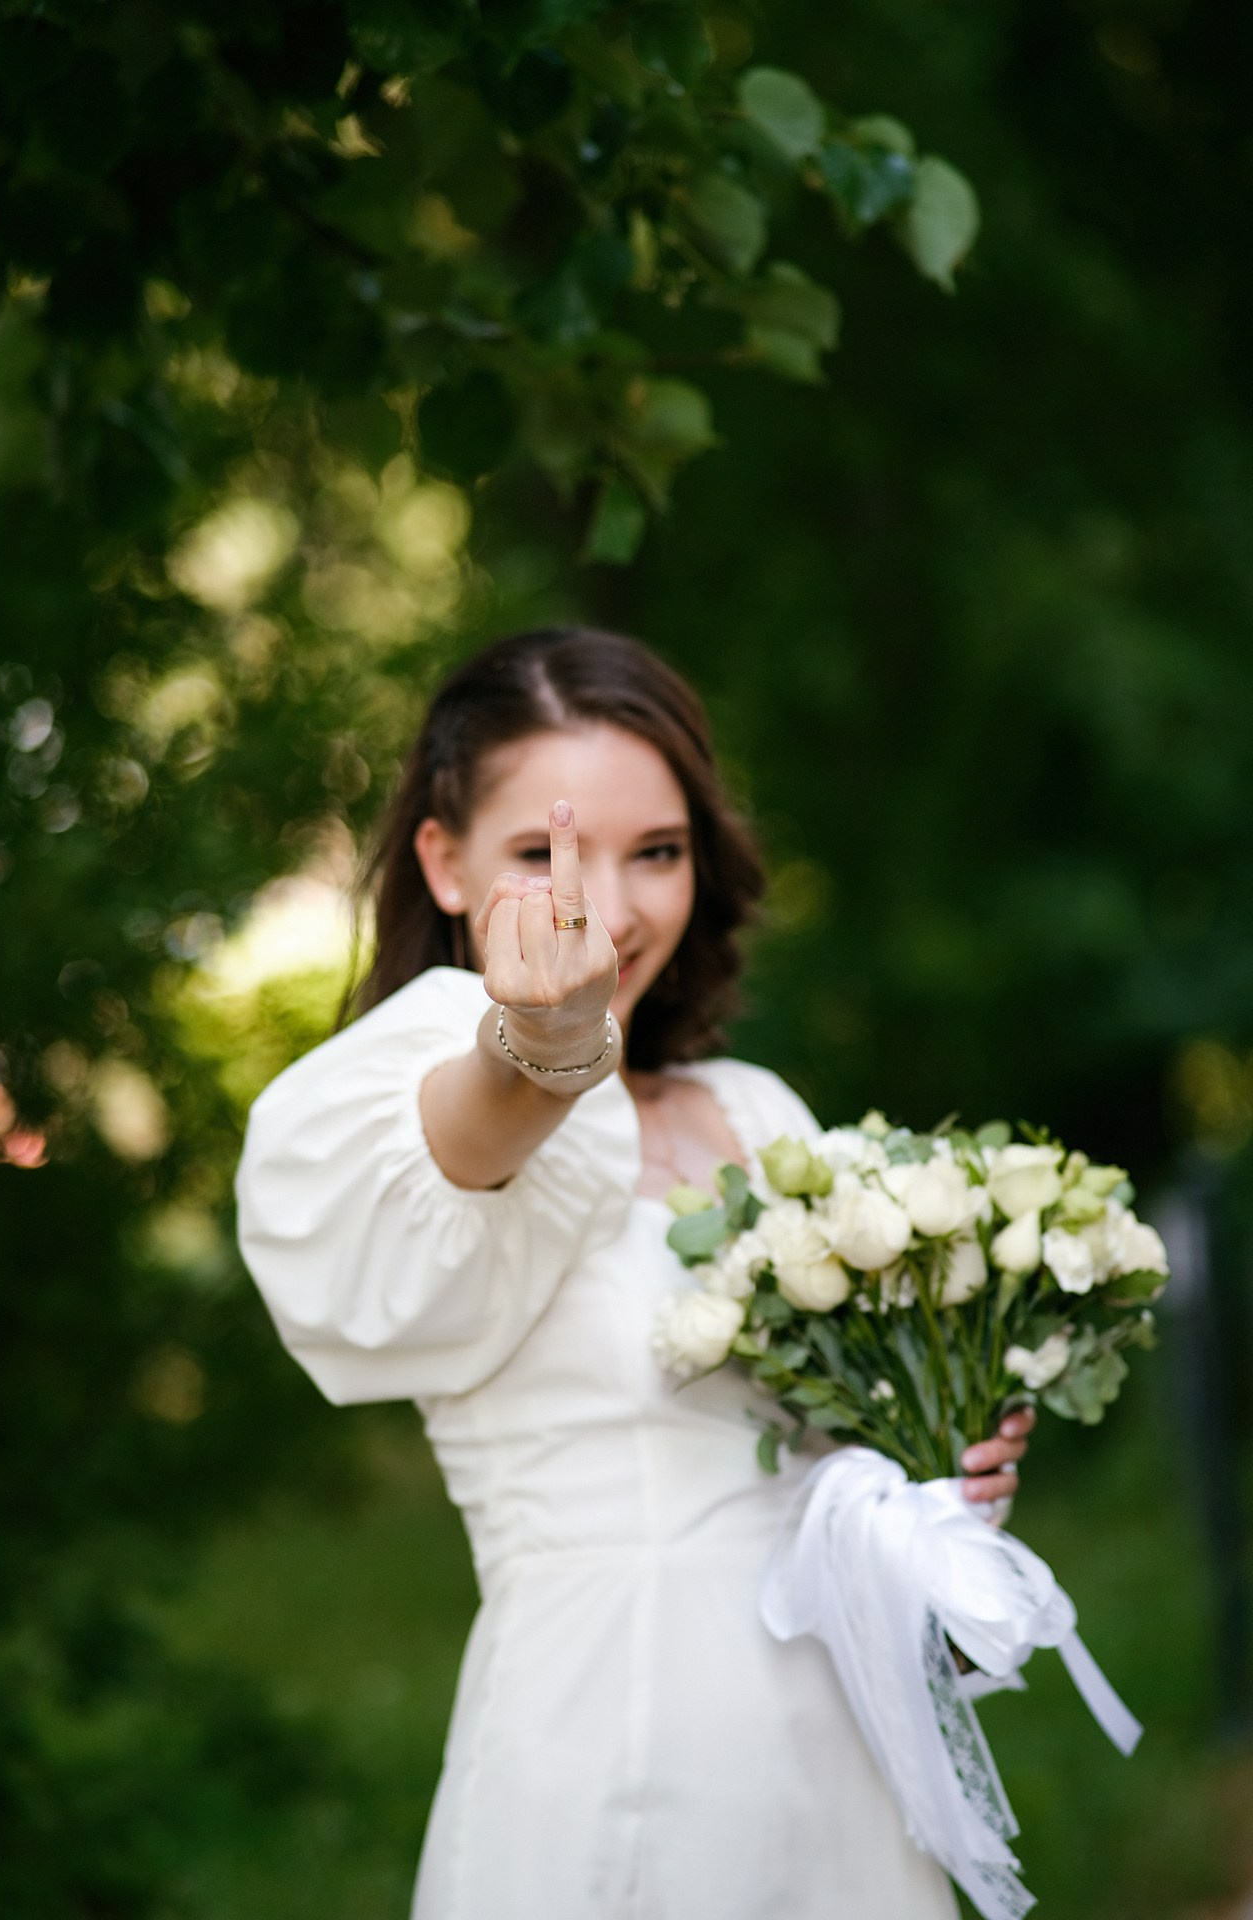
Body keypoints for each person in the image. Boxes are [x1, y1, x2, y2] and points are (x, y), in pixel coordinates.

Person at [235, 627, 1033, 1920]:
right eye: (545, 854)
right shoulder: (438, 1072)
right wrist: (545, 1042)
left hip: (839, 1773)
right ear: (444, 864)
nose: (609, 910)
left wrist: (930, 1489)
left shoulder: (759, 1112)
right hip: (607, 1752)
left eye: (656, 852)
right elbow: (476, 1136)